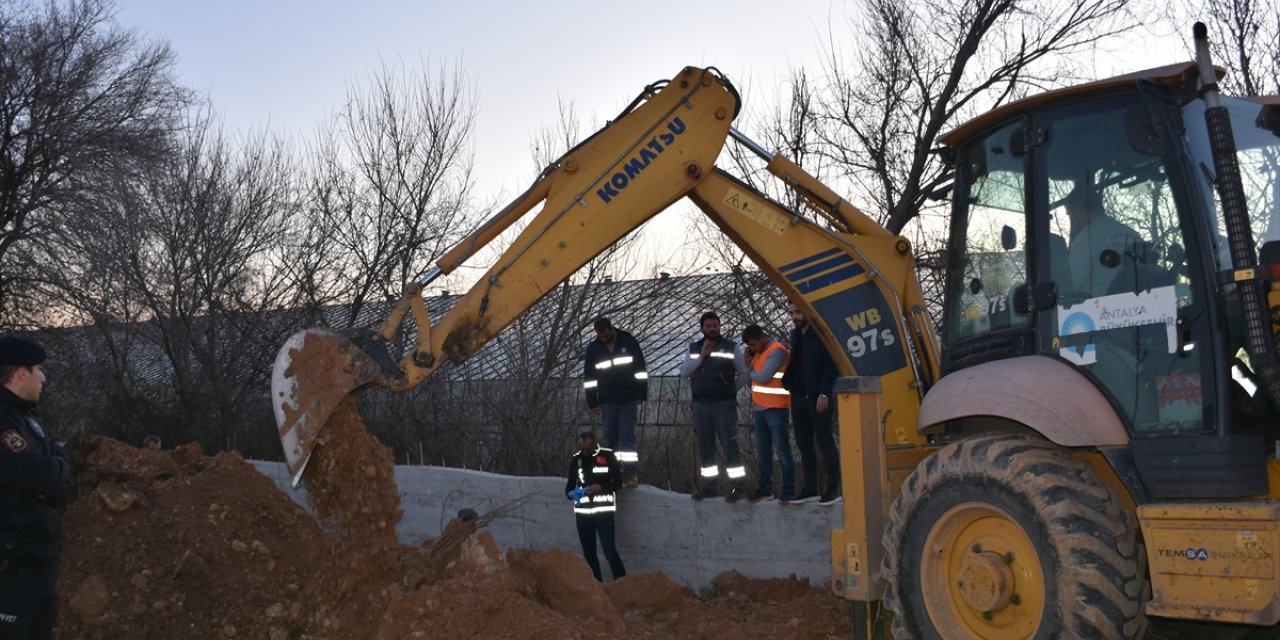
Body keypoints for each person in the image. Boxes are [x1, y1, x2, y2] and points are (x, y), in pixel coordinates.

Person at [0, 336, 74, 640]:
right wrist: (52, 475)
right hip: (11, 568)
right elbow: (35, 474)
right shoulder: (3, 422)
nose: (43, 377)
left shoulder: (30, 422)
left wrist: (53, 474)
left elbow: (62, 472)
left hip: (39, 566)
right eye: (38, 369)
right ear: (21, 373)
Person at [679, 312, 749, 502]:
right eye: (708, 326)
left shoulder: (731, 347)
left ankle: (737, 487)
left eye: (715, 325)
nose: (712, 329)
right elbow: (684, 372)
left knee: (730, 444)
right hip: (701, 404)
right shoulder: (694, 348)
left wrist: (730, 390)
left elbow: (743, 374)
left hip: (723, 405)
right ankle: (709, 486)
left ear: (719, 326)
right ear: (702, 328)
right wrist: (702, 357)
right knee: (705, 447)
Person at [781, 303, 842, 506]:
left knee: (825, 442)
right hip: (799, 396)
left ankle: (833, 488)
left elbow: (831, 365)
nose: (794, 317)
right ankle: (810, 488)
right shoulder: (796, 334)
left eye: (797, 311)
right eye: (791, 313)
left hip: (818, 397)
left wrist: (824, 393)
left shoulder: (822, 334)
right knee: (804, 444)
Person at [582, 317, 648, 488]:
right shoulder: (593, 348)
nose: (603, 337)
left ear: (611, 329)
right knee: (610, 438)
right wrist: (593, 402)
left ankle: (630, 474)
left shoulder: (628, 341)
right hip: (607, 399)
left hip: (628, 397)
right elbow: (589, 378)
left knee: (627, 437)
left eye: (605, 334)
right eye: (600, 335)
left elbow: (640, 368)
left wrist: (641, 392)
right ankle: (613, 472)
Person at [741, 324, 795, 503]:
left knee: (782, 450)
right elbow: (752, 379)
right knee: (763, 451)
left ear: (762, 338)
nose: (752, 348)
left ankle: (788, 490)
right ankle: (764, 489)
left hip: (776, 407)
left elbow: (764, 377)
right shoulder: (758, 354)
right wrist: (750, 366)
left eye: (753, 344)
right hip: (760, 408)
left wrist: (752, 371)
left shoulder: (777, 351)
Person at [564, 432, 626, 582]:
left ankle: (622, 583)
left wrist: (601, 488)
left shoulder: (607, 456)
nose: (585, 452)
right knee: (589, 553)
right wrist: (575, 494)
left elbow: (617, 482)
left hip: (603, 513)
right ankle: (597, 585)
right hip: (583, 515)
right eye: (582, 448)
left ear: (595, 445)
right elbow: (568, 489)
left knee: (609, 551)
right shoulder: (576, 459)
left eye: (588, 449)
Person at [1063, 185, 1144, 297]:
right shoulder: (1134, 235)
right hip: (1137, 306)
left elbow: (1069, 286)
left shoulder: (1085, 238)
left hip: (1096, 309)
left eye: (1072, 215)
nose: (1073, 221)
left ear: (1080, 208)